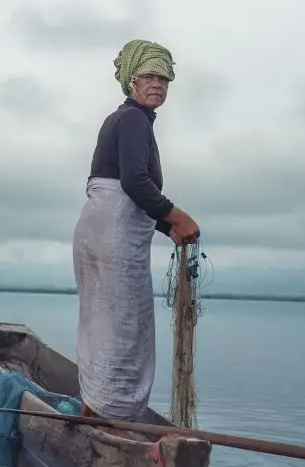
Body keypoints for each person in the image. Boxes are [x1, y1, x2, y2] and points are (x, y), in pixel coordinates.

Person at [72, 39, 200, 428]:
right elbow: (135, 182)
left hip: (101, 231)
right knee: (124, 330)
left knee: (104, 327)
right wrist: (178, 215)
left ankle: (95, 412)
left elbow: (126, 189)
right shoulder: (131, 120)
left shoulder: (125, 120)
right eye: (149, 76)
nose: (157, 84)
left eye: (163, 78)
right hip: (113, 239)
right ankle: (111, 423)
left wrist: (165, 227)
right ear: (131, 81)